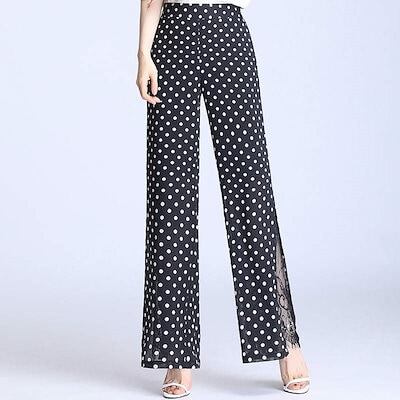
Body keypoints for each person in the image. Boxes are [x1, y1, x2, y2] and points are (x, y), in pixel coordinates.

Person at [136, 0, 310, 397]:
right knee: (169, 196)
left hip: (227, 32)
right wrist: (143, 53)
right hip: (172, 35)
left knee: (251, 188)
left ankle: (285, 341)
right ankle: (176, 353)